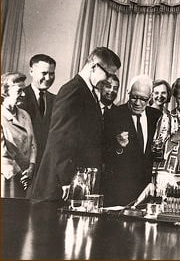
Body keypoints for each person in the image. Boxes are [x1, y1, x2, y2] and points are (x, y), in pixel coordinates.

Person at [30, 47, 121, 202]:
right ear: (94, 66)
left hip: (78, 182)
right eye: (108, 74)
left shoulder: (88, 91)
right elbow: (60, 137)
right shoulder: (73, 90)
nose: (108, 80)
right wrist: (66, 180)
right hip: (63, 185)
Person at [101, 75, 162, 206]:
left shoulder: (157, 117)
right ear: (128, 93)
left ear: (150, 97)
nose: (138, 103)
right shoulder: (113, 115)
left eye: (143, 99)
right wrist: (118, 146)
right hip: (119, 192)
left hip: (146, 193)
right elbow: (102, 153)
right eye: (134, 97)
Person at [18, 54, 56, 176]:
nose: (48, 78)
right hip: (21, 169)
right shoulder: (17, 97)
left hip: (46, 168)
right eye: (44, 73)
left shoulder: (57, 100)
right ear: (31, 71)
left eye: (51, 73)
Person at [1, 72, 37, 197]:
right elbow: (3, 153)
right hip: (6, 177)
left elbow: (33, 144)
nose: (24, 94)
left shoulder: (25, 115)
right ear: (5, 92)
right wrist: (20, 174)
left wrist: (31, 168)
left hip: (25, 177)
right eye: (19, 91)